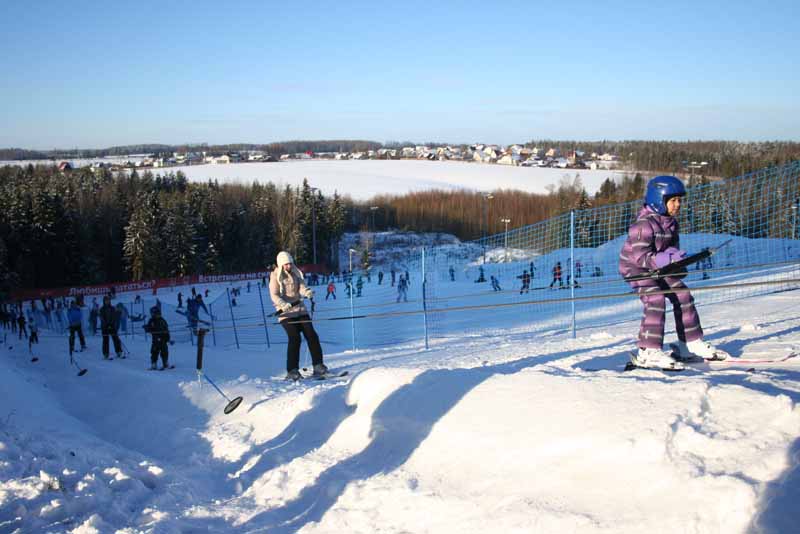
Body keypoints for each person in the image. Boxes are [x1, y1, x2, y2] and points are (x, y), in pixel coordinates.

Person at [619, 175, 730, 369]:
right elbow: (641, 258)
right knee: (655, 298)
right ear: (658, 200)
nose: (677, 204)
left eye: (679, 200)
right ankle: (648, 351)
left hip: (659, 267)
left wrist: (677, 264)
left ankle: (689, 344)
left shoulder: (671, 223)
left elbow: (670, 249)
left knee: (683, 295)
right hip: (635, 269)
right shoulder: (643, 225)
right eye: (672, 200)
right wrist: (667, 260)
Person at [270, 251, 327, 380]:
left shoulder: (296, 273)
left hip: (300, 310)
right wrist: (283, 304)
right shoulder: (275, 277)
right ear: (280, 265)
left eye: (290, 264)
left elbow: (301, 287)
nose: (288, 267)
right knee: (294, 338)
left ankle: (318, 366)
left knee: (312, 335)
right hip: (286, 313)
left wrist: (307, 292)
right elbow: (274, 295)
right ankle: (292, 371)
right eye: (285, 265)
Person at [99, 295, 123, 360]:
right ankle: (106, 354)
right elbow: (101, 318)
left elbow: (114, 317)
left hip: (112, 325)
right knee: (105, 340)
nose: (107, 301)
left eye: (108, 300)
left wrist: (111, 324)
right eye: (106, 300)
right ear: (104, 301)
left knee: (115, 338)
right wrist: (106, 324)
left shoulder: (112, 308)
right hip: (104, 327)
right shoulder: (102, 309)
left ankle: (119, 351)